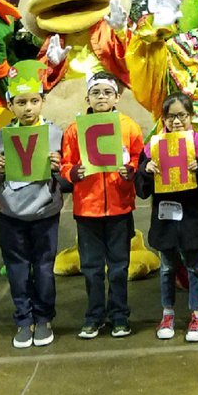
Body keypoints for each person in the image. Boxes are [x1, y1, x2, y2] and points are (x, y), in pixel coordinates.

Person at [61, 70, 143, 340]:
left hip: (119, 207)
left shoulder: (129, 126)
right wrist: (74, 173)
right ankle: (94, 316)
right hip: (87, 209)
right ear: (87, 96)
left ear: (117, 97)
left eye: (107, 92)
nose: (102, 97)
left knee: (119, 267)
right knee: (92, 268)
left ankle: (120, 315)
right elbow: (65, 164)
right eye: (96, 92)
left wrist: (129, 170)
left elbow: (137, 158)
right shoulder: (75, 130)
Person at [0, 60, 64, 349]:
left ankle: (44, 317)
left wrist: (58, 167)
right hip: (11, 212)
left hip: (45, 211)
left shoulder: (55, 133)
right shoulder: (1, 136)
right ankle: (24, 319)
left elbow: (66, 174)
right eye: (21, 102)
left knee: (44, 267)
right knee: (17, 268)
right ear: (11, 105)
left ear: (43, 102)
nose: (28, 108)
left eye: (34, 101)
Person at [133, 91, 198, 343]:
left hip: (192, 219)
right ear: (164, 119)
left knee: (195, 267)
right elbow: (141, 189)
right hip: (165, 220)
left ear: (191, 116)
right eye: (171, 117)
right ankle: (167, 313)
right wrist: (146, 171)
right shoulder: (153, 146)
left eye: (182, 115)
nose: (177, 121)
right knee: (167, 268)